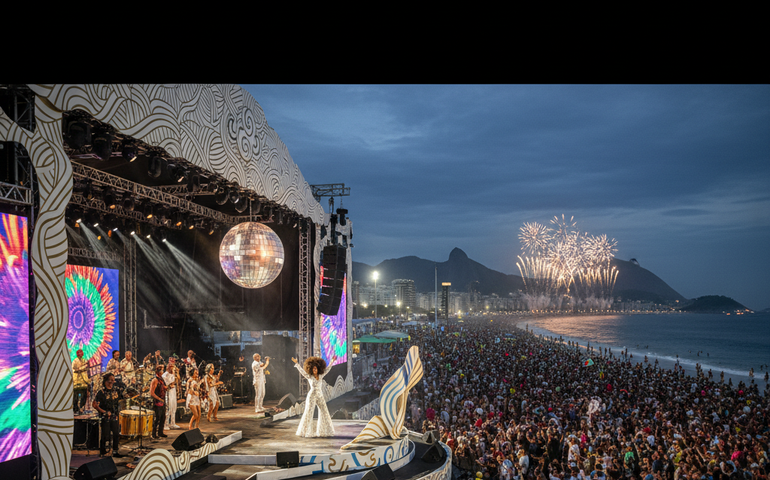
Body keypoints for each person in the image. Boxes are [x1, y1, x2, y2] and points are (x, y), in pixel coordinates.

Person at [292, 355, 335, 437]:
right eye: (313, 368)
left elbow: (328, 369)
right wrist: (297, 364)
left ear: (318, 368)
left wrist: (332, 361)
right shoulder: (309, 376)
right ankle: (304, 431)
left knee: (324, 412)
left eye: (316, 368)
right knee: (309, 412)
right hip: (312, 395)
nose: (314, 370)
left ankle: (325, 431)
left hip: (320, 395)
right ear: (311, 369)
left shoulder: (321, 376)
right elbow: (302, 372)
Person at [92, 373, 124, 458]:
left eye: (113, 380)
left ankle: (115, 451)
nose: (113, 382)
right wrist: (104, 412)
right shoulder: (101, 392)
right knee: (105, 434)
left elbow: (122, 399)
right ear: (106, 381)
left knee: (116, 433)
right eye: (111, 380)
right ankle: (103, 451)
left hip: (115, 415)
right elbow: (94, 404)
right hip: (105, 417)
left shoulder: (116, 390)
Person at [149, 365, 167, 439]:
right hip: (157, 401)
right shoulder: (155, 380)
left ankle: (160, 432)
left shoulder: (161, 379)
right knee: (157, 418)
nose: (163, 372)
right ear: (158, 371)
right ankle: (154, 434)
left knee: (163, 417)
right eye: (162, 370)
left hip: (162, 400)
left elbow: (163, 388)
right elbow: (152, 392)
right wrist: (159, 399)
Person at [162, 361, 181, 429]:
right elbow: (168, 383)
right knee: (168, 408)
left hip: (173, 391)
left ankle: (172, 423)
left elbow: (176, 381)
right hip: (168, 392)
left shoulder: (173, 374)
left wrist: (176, 373)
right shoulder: (165, 375)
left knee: (173, 407)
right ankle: (165, 424)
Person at [72, 349, 90, 413]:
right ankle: (75, 409)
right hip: (77, 381)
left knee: (84, 395)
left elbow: (87, 366)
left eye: (81, 353)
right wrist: (81, 368)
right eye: (79, 353)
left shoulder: (84, 360)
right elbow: (74, 369)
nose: (80, 354)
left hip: (84, 381)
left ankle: (82, 407)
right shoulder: (75, 361)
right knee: (75, 396)